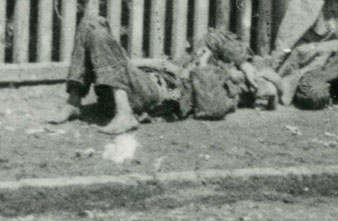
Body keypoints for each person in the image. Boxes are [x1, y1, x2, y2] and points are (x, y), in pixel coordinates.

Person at [52, 18, 255, 134]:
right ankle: (74, 102)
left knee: (97, 33)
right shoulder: (205, 55)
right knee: (90, 23)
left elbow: (212, 108)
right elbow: (214, 37)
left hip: (155, 93)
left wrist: (203, 68)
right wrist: (245, 63)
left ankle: (125, 115)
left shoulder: (226, 84)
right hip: (133, 85)